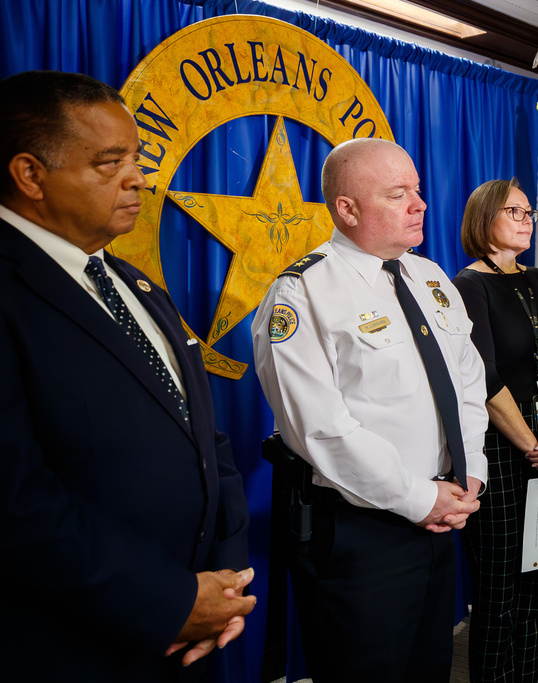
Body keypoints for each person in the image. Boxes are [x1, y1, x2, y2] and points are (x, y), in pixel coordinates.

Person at [0, 70, 255, 681]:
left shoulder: (131, 283)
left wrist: (226, 584)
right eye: (109, 162)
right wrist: (168, 601)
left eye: (136, 157)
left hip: (197, 628)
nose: (137, 177)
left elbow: (203, 436)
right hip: (74, 646)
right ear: (31, 175)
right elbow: (15, 500)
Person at [252, 137, 489, 682]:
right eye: (398, 193)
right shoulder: (303, 293)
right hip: (362, 534)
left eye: (419, 191)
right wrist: (420, 498)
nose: (420, 204)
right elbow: (320, 430)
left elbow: (468, 383)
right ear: (348, 208)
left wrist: (468, 474)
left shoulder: (430, 279)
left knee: (430, 667)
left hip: (444, 513)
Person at [452, 178, 538, 682]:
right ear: (484, 220)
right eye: (515, 211)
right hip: (500, 453)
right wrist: (534, 447)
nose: (527, 219)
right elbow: (484, 378)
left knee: (535, 584)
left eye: (529, 212)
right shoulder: (468, 285)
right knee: (499, 593)